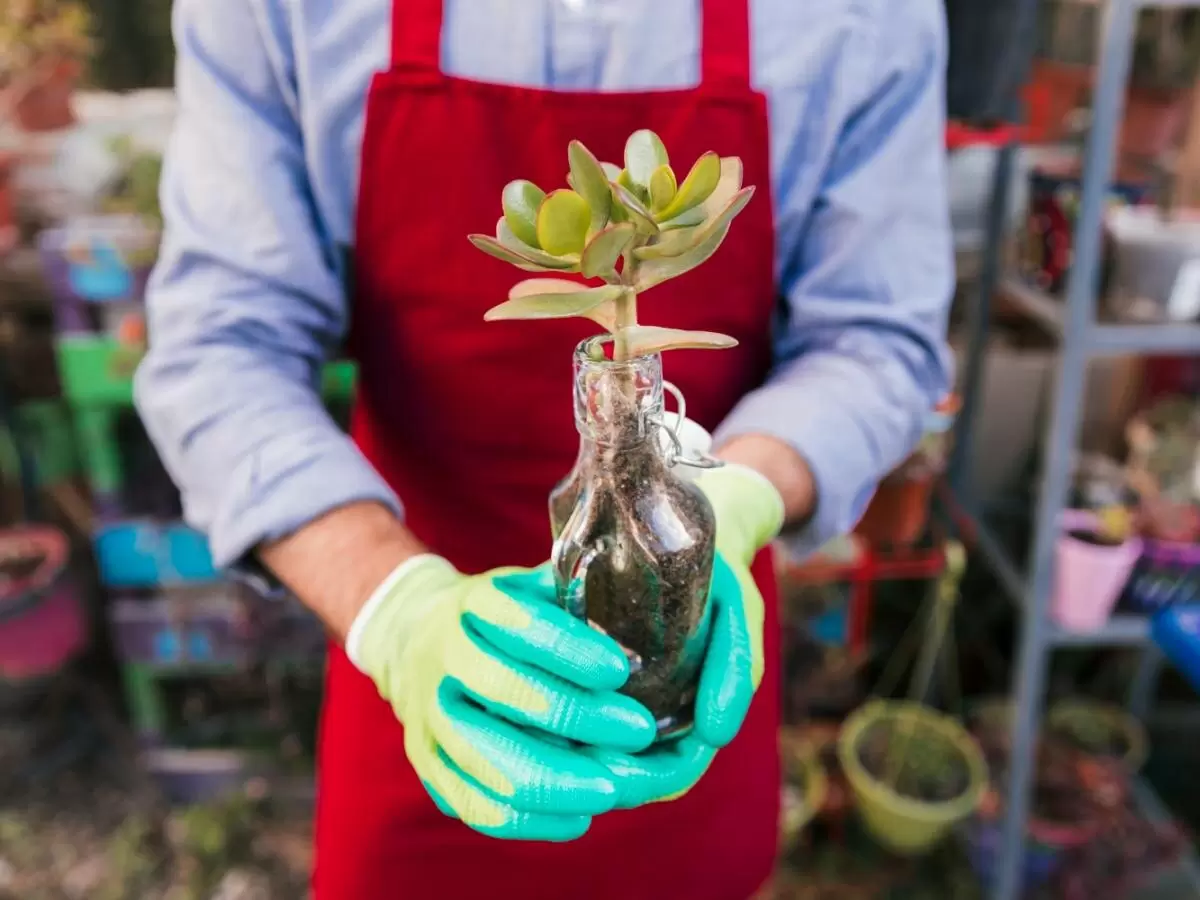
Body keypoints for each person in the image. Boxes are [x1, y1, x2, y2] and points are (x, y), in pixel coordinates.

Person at [134, 0, 953, 897]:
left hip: (681, 642)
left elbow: (876, 342)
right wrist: (398, 611)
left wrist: (734, 497)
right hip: (431, 666)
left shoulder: (868, 18)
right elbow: (221, 344)